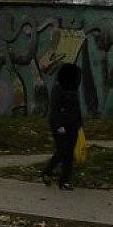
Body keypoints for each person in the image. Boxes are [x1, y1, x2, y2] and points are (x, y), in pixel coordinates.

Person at [40, 62, 83, 190]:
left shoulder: (73, 88)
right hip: (60, 125)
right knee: (63, 151)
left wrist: (79, 124)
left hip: (72, 124)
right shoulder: (58, 88)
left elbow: (76, 108)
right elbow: (55, 109)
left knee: (69, 153)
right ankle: (48, 171)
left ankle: (64, 181)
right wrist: (59, 125)